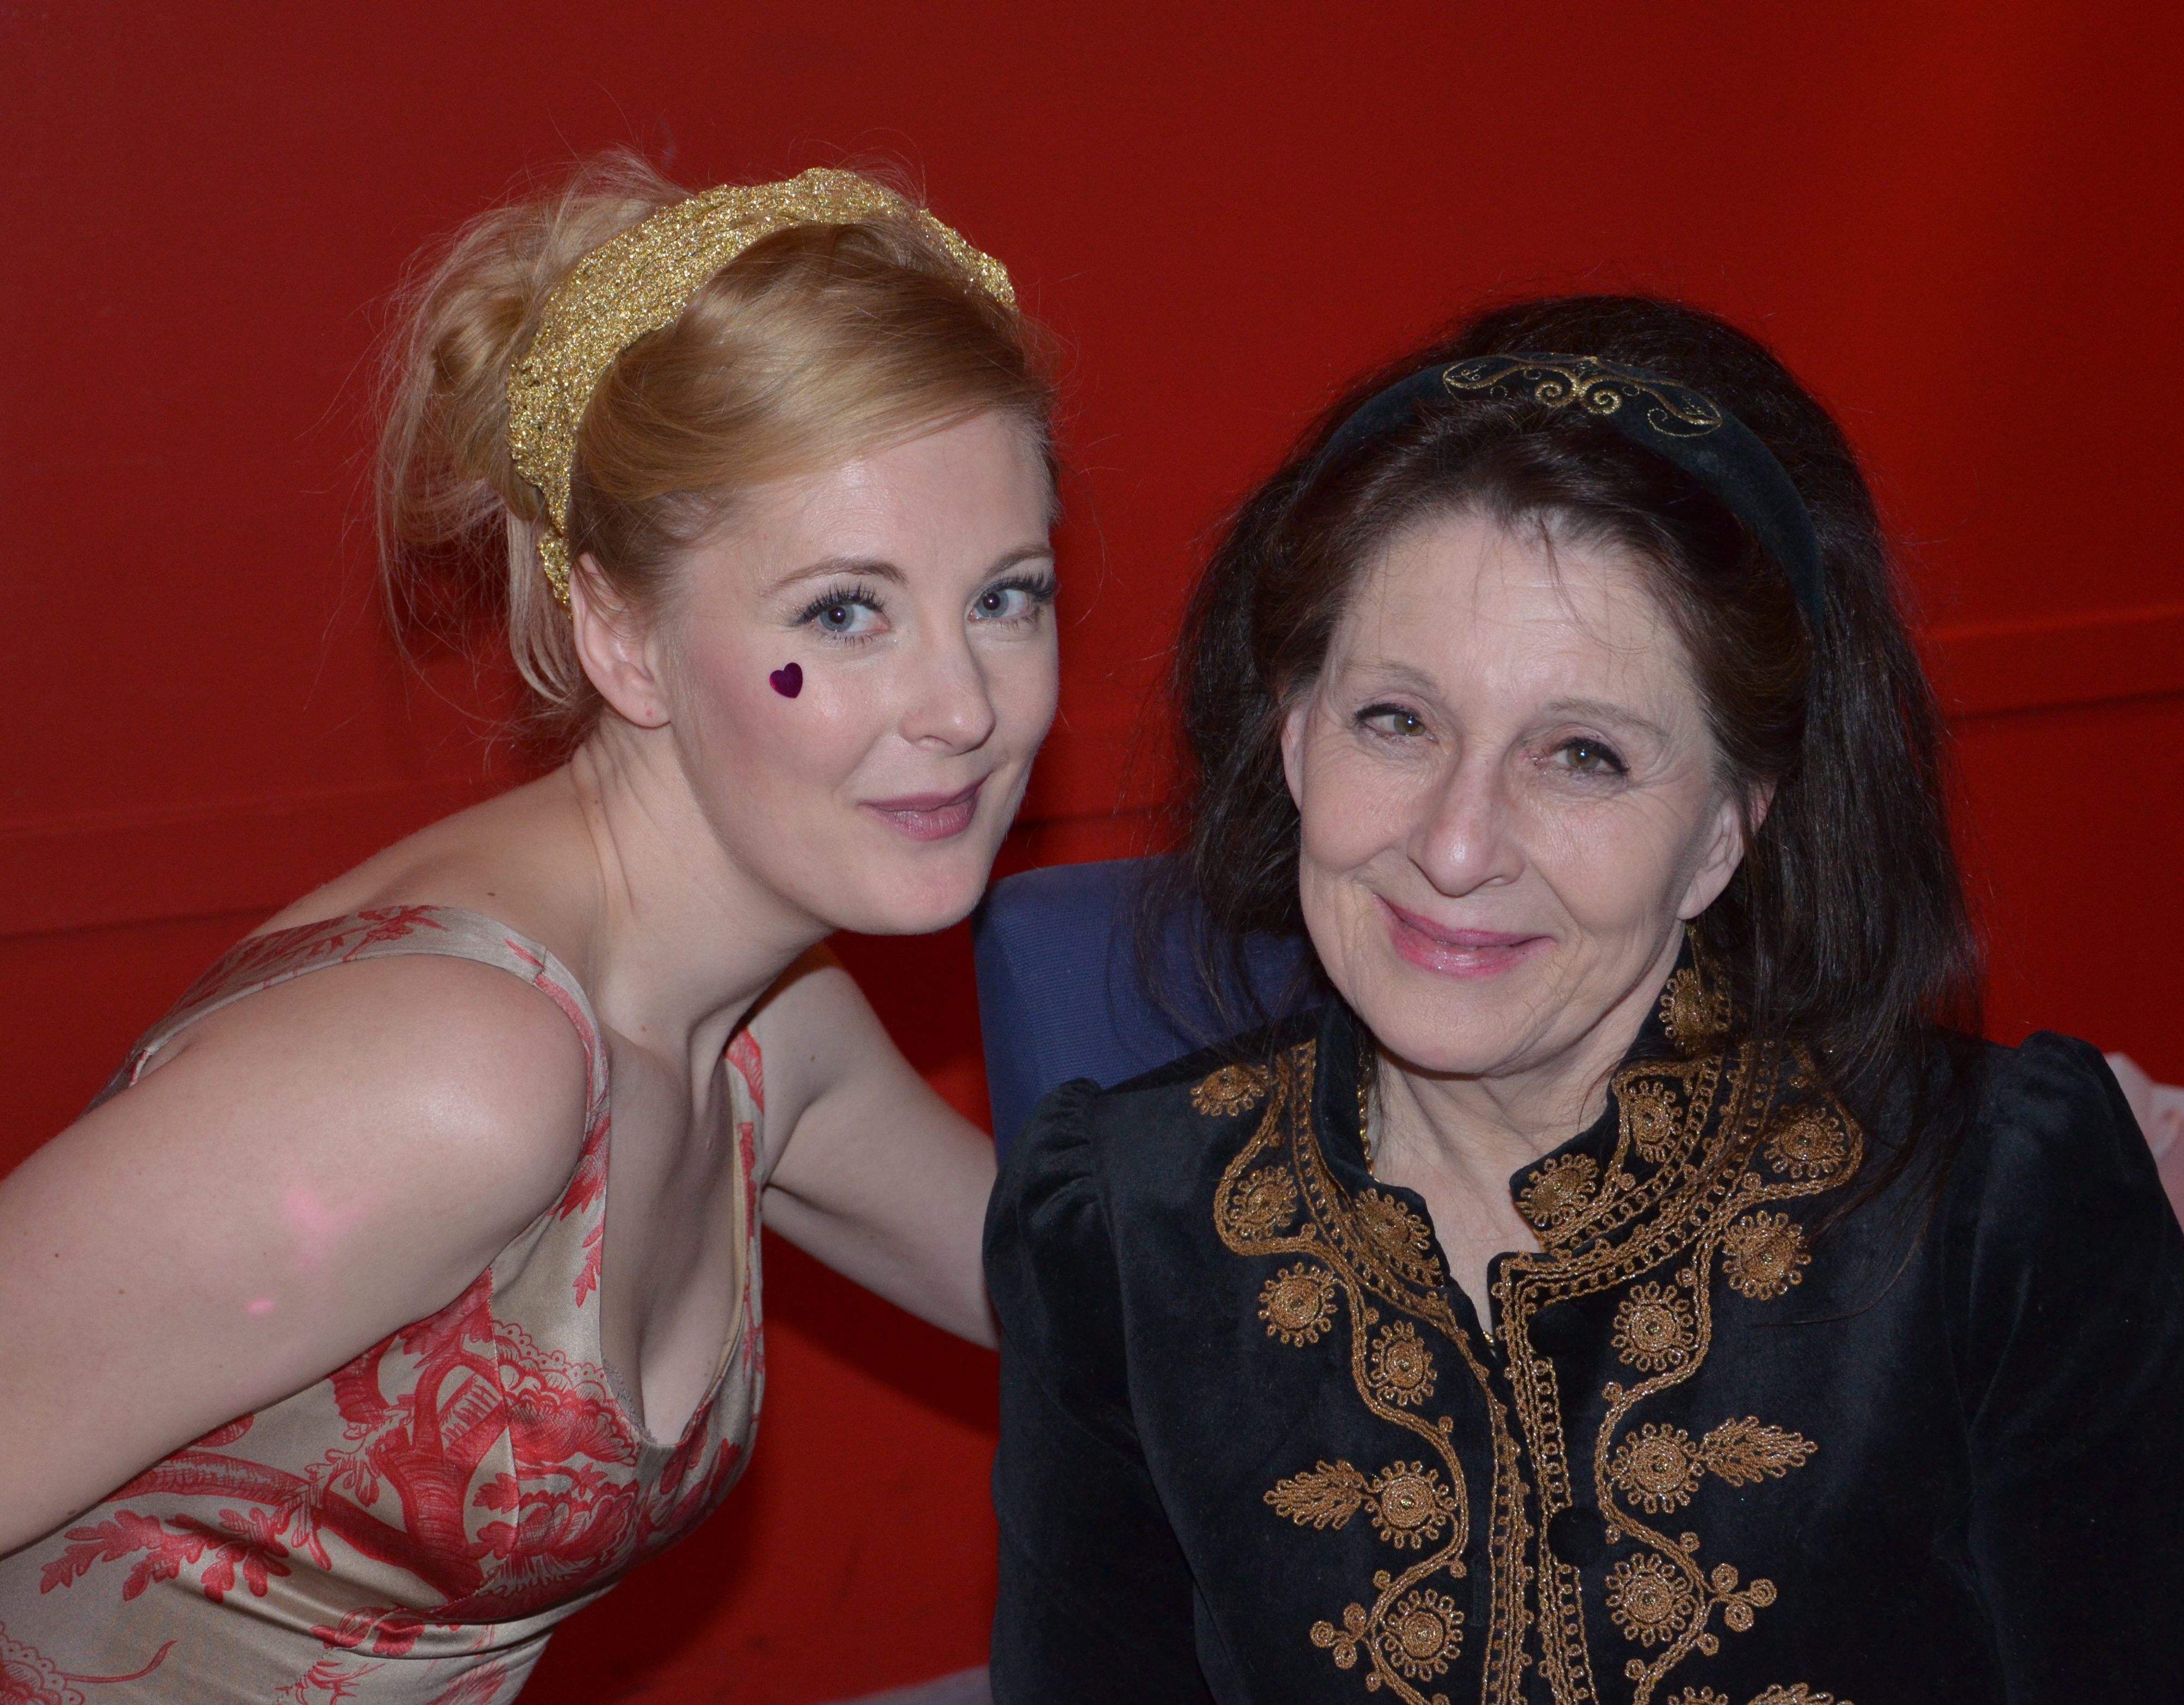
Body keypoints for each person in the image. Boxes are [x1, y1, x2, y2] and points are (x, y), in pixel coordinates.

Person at [985, 296, 2184, 1704]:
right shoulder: (1117, 1229)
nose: (1456, 847)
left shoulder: (1993, 1205)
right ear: (1297, 737)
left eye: (1583, 756)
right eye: (1397, 721)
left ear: (1728, 829)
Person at [0, 158, 1056, 1701]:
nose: (963, 706)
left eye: (1008, 597)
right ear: (619, 633)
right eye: (845, 612)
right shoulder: (460, 1071)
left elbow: (1095, 1308)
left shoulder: (768, 1031)